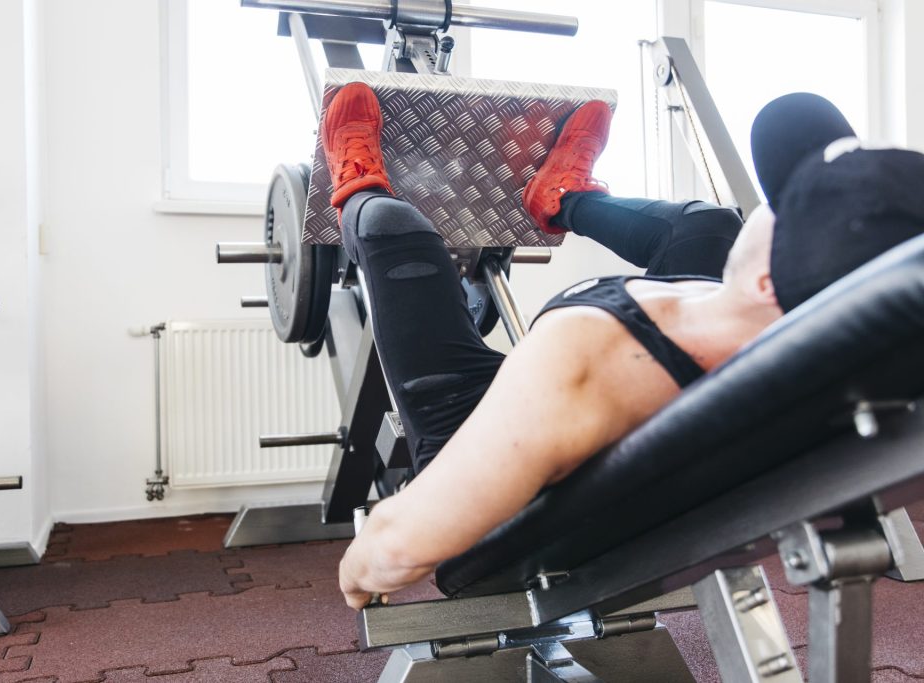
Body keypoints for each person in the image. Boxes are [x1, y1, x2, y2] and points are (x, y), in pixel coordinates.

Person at [324, 84, 924, 609]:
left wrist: (360, 564)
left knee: (395, 234)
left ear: (769, 278)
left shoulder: (587, 355)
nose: (766, 203)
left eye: (784, 203)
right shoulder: (786, 324)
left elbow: (399, 549)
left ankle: (355, 187)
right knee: (710, 225)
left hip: (480, 437)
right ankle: (561, 199)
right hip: (669, 356)